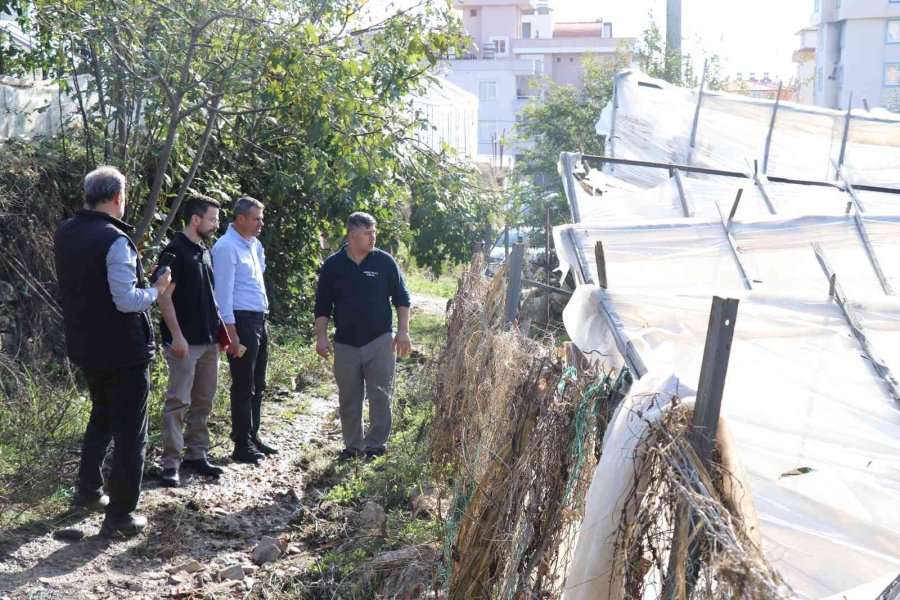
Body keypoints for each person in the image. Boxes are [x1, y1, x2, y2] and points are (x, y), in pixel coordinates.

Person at [54, 166, 171, 538]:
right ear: (118, 197)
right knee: (131, 433)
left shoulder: (65, 231)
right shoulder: (115, 239)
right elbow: (125, 300)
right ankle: (120, 516)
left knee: (102, 416)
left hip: (86, 346)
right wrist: (156, 290)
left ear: (87, 196)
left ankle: (88, 492)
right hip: (123, 351)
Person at [314, 211, 412, 461]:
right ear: (351, 236)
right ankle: (353, 447)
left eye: (374, 232)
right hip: (345, 343)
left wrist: (403, 331)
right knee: (349, 398)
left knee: (380, 395)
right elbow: (322, 305)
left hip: (380, 340)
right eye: (368, 233)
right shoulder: (333, 265)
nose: (373, 237)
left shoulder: (384, 262)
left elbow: (402, 298)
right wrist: (321, 337)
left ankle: (375, 445)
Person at [157, 194, 226, 487]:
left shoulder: (204, 249)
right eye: (212, 219)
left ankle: (196, 454)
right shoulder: (175, 251)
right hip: (185, 343)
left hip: (209, 342)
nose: (216, 225)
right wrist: (177, 336)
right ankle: (170, 464)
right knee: (178, 402)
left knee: (203, 401)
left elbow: (208, 296)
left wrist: (221, 334)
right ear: (195, 219)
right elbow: (163, 296)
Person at [211, 196, 278, 464]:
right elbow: (223, 295)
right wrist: (231, 334)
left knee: (258, 383)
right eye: (256, 218)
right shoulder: (226, 248)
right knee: (243, 384)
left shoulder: (254, 245)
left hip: (259, 320)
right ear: (240, 219)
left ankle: (252, 435)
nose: (261, 223)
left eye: (261, 218)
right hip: (241, 321)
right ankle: (241, 443)